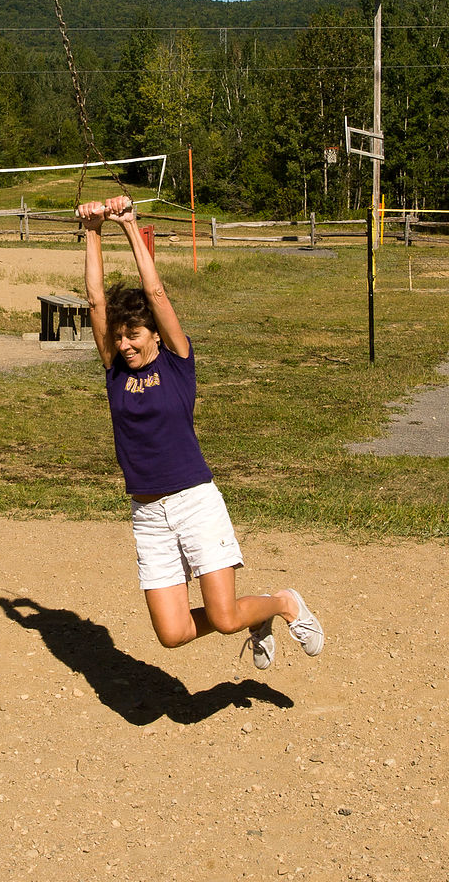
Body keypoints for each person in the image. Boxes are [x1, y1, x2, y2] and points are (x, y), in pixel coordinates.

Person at [76, 194, 324, 668]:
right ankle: (255, 616)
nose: (125, 344)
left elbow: (158, 295)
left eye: (135, 334)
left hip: (194, 501)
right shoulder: (114, 372)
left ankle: (283, 603)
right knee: (172, 634)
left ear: (153, 333)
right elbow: (95, 300)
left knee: (225, 617)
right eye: (120, 336)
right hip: (147, 514)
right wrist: (90, 230)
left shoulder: (178, 364)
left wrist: (128, 224)